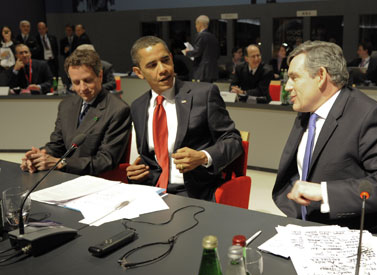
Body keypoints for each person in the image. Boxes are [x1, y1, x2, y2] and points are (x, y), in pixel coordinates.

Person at [272, 41, 377, 240]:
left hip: (363, 234)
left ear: (321, 76)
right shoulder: (307, 113)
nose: (287, 86)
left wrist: (324, 192)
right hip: (310, 227)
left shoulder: (369, 115)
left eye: (294, 77)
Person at [126, 36, 243, 201]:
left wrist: (203, 156)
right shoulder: (138, 106)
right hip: (150, 190)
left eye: (165, 60)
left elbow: (234, 141)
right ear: (139, 72)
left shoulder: (204, 94)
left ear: (172, 60)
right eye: (152, 65)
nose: (163, 69)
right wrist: (136, 173)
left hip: (192, 192)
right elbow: (148, 157)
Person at [20, 49, 131, 175]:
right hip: (65, 178)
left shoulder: (118, 110)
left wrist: (61, 163)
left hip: (98, 182)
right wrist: (38, 157)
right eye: (76, 82)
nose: (82, 88)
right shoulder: (66, 105)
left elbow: (105, 160)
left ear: (100, 76)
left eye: (87, 80)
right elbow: (57, 145)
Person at [182, 15, 220, 83]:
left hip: (202, 71)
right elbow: (217, 55)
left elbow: (197, 52)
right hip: (212, 71)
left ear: (199, 24)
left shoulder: (201, 35)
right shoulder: (213, 37)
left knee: (201, 91)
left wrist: (187, 52)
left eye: (196, 24)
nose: (196, 26)